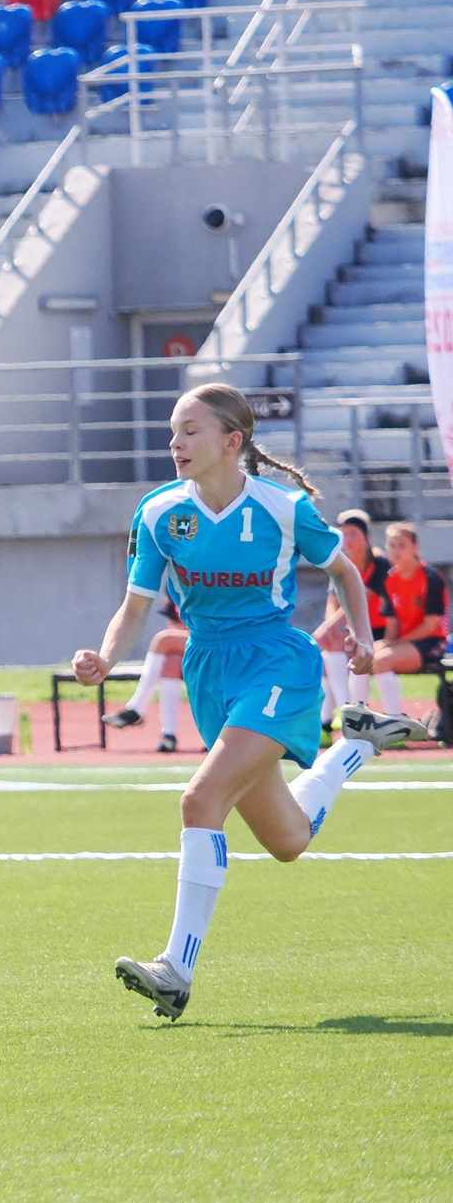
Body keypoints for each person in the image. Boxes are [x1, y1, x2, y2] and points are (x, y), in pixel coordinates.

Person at [73, 385, 417, 1022]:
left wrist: (363, 638)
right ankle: (358, 744)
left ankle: (176, 968)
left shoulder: (283, 509)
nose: (175, 443)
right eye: (173, 432)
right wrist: (105, 658)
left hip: (276, 661)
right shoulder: (158, 513)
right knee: (287, 840)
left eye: (190, 432)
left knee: (200, 800)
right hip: (210, 668)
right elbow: (136, 606)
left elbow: (343, 571)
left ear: (232, 442)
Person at [313, 508, 387, 726]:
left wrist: (326, 628)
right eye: (343, 533)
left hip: (377, 630)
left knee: (351, 648)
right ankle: (343, 712)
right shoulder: (341, 563)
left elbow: (357, 599)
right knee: (331, 650)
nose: (348, 539)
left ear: (365, 536)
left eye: (353, 533)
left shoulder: (379, 564)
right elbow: (333, 601)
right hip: (351, 629)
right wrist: (331, 629)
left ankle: (354, 710)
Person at [369, 521, 446, 724]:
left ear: (415, 548)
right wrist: (386, 643)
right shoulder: (390, 579)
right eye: (391, 545)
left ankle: (394, 724)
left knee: (382, 660)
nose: (396, 551)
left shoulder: (430, 577)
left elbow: (431, 625)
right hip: (405, 642)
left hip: (432, 642)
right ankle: (356, 718)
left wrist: (393, 645)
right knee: (365, 656)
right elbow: (392, 623)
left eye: (402, 545)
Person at [103, 598, 187, 752]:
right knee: (171, 662)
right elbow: (175, 626)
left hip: (222, 644)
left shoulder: (208, 580)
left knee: (163, 639)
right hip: (193, 649)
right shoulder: (174, 587)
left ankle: (136, 709)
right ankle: (168, 735)